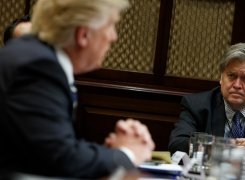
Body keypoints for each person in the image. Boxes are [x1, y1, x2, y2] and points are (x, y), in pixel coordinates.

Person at [0, 0, 155, 178]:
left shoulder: (35, 56)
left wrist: (106, 153)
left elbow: (48, 146)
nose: (114, 37)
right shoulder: (37, 67)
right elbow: (61, 159)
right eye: (111, 25)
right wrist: (127, 153)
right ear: (83, 35)